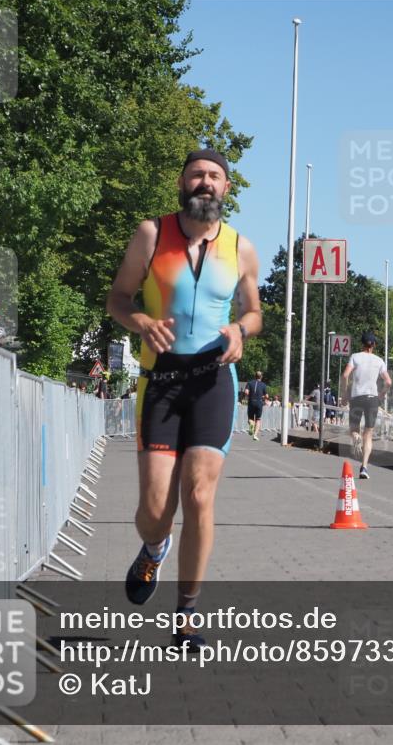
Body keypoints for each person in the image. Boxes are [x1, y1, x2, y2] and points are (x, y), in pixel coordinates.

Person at [106, 148, 261, 649]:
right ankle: (154, 548)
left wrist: (241, 329)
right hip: (162, 381)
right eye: (197, 174)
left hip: (214, 380)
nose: (205, 182)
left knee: (198, 495)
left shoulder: (241, 247)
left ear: (226, 188)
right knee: (154, 508)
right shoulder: (152, 234)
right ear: (181, 182)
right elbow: (118, 299)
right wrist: (142, 322)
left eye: (214, 176)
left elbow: (255, 311)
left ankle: (188, 613)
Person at [341, 332, 392, 479]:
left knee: (354, 429)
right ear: (374, 345)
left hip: (357, 397)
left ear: (362, 344)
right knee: (368, 434)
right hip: (372, 399)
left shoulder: (355, 357)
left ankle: (356, 436)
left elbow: (345, 375)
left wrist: (345, 394)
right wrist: (381, 394)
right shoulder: (379, 361)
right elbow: (388, 382)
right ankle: (364, 467)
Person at [244, 371, 268, 440]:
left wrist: (248, 396)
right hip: (259, 403)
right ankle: (255, 435)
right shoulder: (263, 385)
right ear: (261, 377)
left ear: (255, 376)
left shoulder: (250, 383)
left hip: (251, 402)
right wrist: (262, 397)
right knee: (258, 419)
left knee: (250, 418)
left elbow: (246, 392)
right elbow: (266, 396)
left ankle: (251, 424)